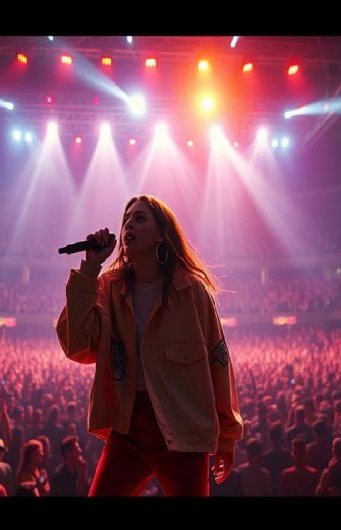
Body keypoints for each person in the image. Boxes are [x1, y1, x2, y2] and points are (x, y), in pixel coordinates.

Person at [56, 195, 243, 496]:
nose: (129, 224)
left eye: (140, 218)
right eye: (126, 220)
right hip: (128, 428)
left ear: (161, 234)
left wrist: (227, 437)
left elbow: (219, 361)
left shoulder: (193, 291)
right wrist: (90, 268)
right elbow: (77, 346)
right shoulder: (108, 288)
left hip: (185, 429)